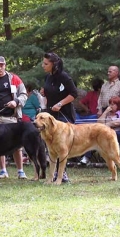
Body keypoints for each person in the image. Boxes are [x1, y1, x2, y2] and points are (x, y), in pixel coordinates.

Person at [0, 55, 29, 179]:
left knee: (17, 146)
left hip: (12, 118)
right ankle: (3, 170)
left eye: (1, 65)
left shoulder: (15, 79)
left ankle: (20, 171)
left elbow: (24, 94)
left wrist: (16, 102)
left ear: (5, 65)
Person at [40, 52, 78, 180]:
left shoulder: (64, 76)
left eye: (46, 63)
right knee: (51, 145)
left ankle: (63, 174)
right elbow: (50, 92)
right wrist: (44, 94)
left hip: (64, 115)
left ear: (54, 64)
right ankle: (52, 174)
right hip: (50, 116)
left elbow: (74, 93)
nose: (43, 65)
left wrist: (60, 103)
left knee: (62, 145)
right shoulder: (47, 77)